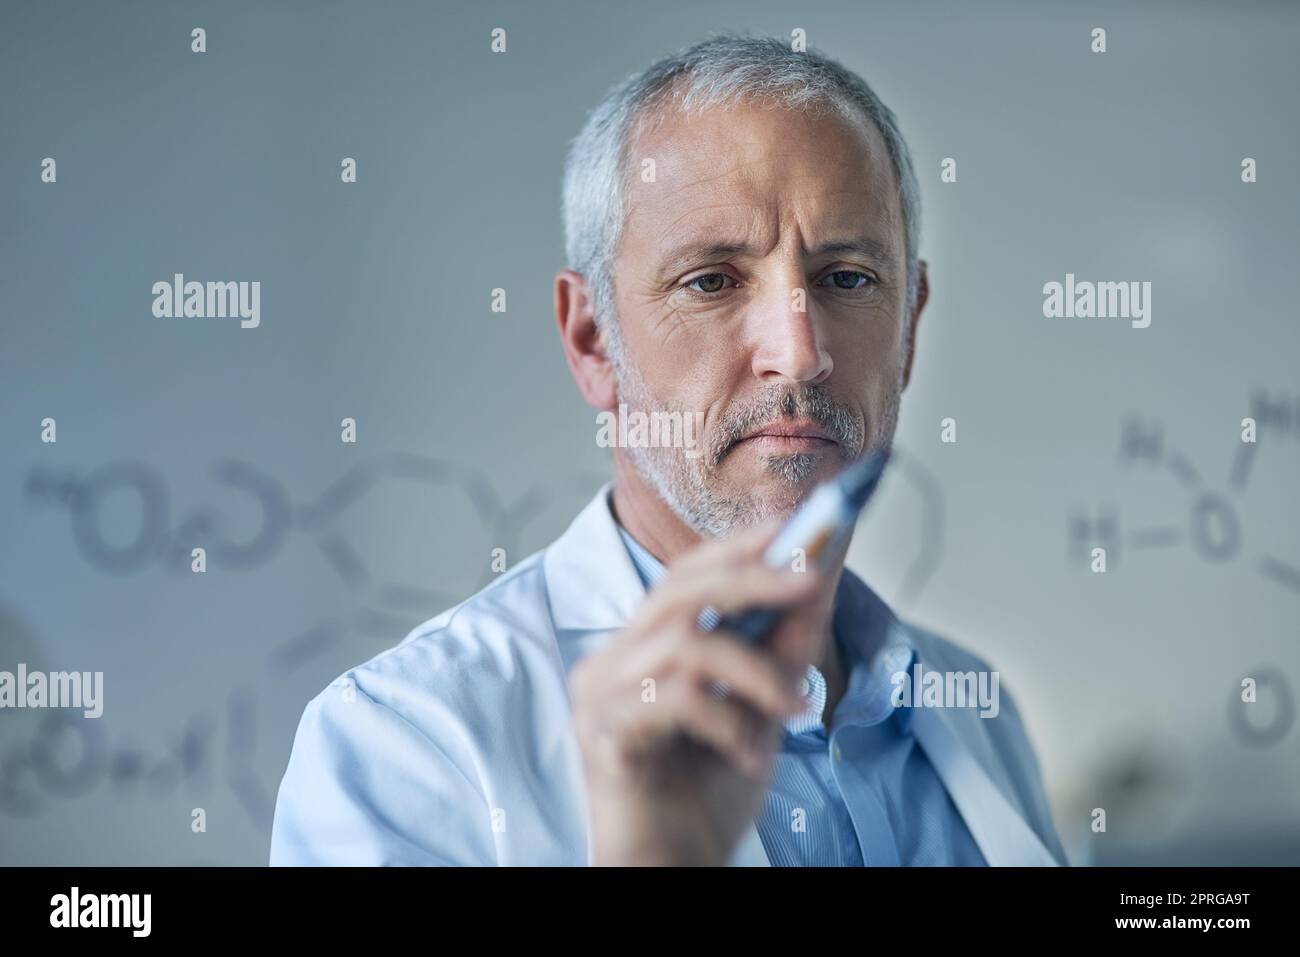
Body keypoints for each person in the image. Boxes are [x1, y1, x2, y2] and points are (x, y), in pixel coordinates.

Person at [270, 33, 1067, 867]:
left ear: (909, 329)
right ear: (592, 341)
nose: (798, 353)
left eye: (847, 278)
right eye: (712, 280)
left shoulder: (977, 711)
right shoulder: (404, 744)